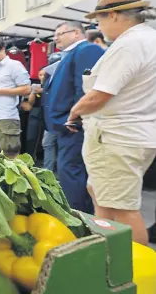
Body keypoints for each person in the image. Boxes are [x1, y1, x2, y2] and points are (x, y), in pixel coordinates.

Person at [67, 0, 156, 245]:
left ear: (115, 15)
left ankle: (138, 270)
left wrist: (75, 110)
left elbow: (101, 94)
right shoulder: (148, 38)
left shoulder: (129, 44)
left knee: (124, 210)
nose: (99, 26)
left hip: (117, 137)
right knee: (103, 196)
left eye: (100, 19)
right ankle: (108, 255)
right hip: (132, 134)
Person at [44, 21, 105, 214]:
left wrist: (77, 117)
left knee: (72, 171)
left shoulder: (87, 50)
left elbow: (86, 87)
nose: (56, 37)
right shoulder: (68, 55)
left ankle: (79, 216)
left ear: (77, 33)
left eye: (61, 33)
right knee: (70, 171)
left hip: (74, 125)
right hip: (65, 125)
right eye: (55, 34)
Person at [20, 69, 46, 160]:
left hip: (46, 114)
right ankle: (31, 159)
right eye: (40, 75)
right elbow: (30, 104)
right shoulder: (35, 86)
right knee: (31, 138)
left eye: (44, 75)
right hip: (36, 114)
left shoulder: (52, 87)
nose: (42, 77)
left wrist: (43, 90)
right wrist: (33, 92)